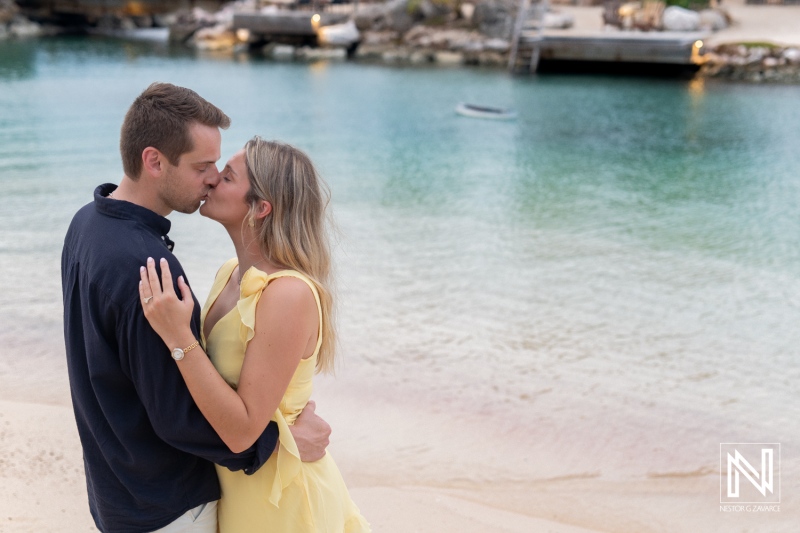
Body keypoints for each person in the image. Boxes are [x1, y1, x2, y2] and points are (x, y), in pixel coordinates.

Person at [61, 83, 331, 533]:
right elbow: (176, 416)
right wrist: (280, 442)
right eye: (205, 167)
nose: (211, 179)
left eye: (222, 172)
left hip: (119, 489)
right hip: (167, 503)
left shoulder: (87, 223)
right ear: (154, 161)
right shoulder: (148, 267)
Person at [137, 137, 370, 532]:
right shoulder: (230, 273)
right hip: (236, 491)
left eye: (226, 177)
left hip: (284, 504)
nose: (210, 181)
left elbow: (242, 430)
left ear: (261, 207)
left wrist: (178, 336)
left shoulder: (288, 293)